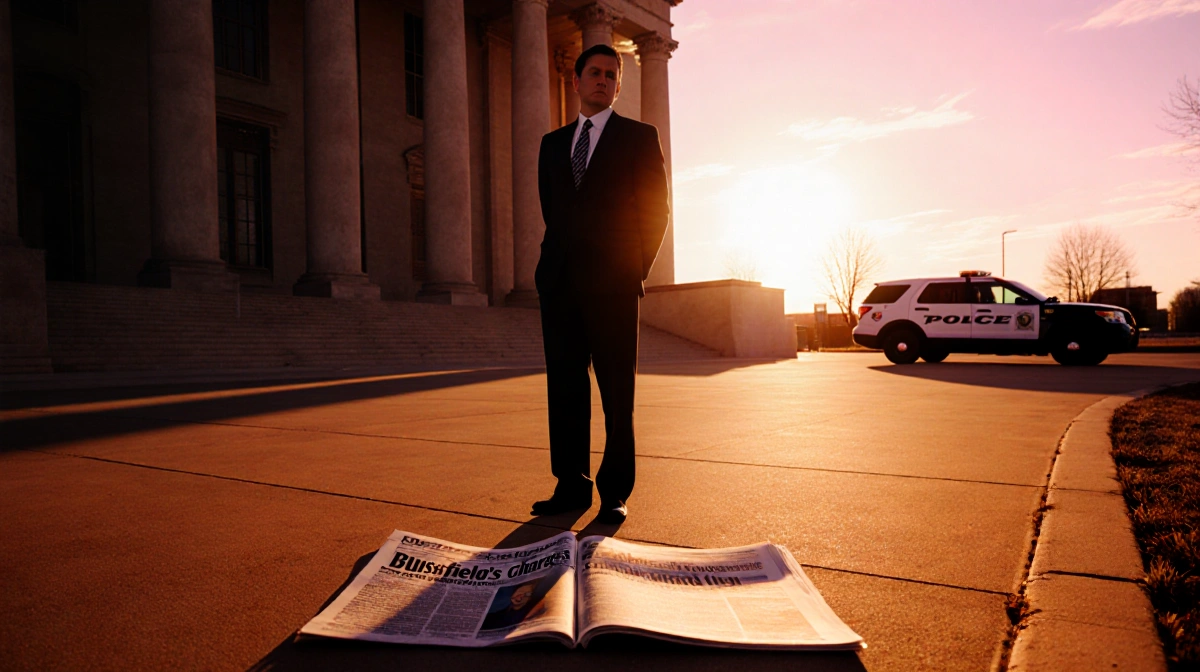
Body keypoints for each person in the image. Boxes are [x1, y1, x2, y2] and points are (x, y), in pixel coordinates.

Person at [530, 44, 670, 525]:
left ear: (617, 86)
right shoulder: (553, 144)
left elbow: (656, 212)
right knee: (565, 390)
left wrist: (634, 270)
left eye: (611, 75)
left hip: (613, 287)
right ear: (576, 81)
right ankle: (570, 485)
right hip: (561, 287)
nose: (603, 81)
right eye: (594, 72)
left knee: (616, 394)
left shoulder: (638, 137)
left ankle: (614, 490)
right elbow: (554, 210)